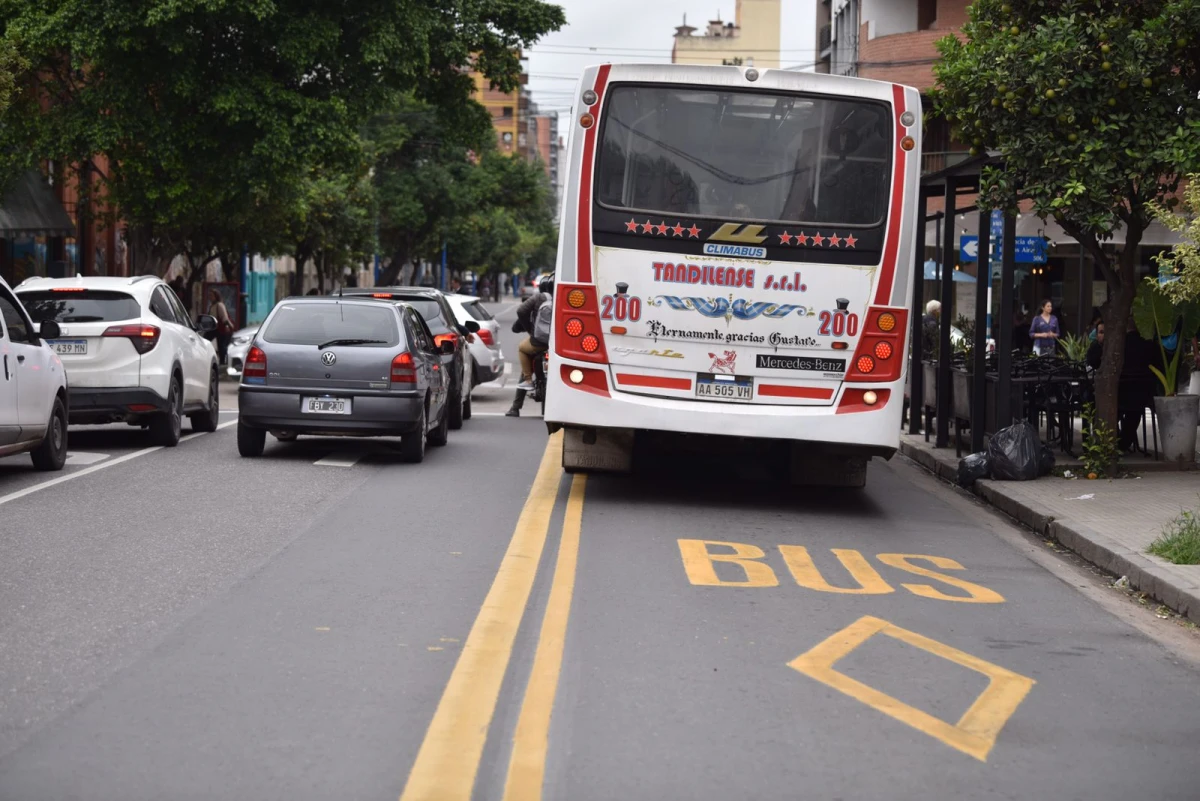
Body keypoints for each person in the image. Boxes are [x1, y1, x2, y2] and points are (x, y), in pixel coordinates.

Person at [506, 278, 553, 418]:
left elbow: (521, 311)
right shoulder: (564, 297)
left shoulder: (538, 298)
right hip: (557, 344)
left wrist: (530, 330)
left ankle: (515, 407)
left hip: (538, 342)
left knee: (523, 352)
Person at [208, 289, 234, 365]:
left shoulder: (219, 305)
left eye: (212, 295)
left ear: (216, 296)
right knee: (206, 339)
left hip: (221, 328)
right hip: (214, 328)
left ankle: (224, 361)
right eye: (209, 296)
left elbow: (224, 317)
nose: (210, 297)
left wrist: (227, 326)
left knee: (221, 345)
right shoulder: (212, 306)